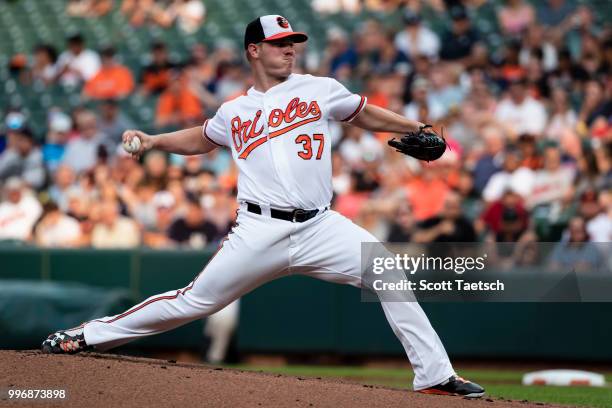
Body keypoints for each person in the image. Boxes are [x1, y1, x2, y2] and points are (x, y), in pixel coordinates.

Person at [42, 15, 484, 398]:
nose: (289, 50)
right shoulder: (235, 109)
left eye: (292, 44)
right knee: (192, 302)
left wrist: (415, 125)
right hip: (258, 230)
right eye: (279, 44)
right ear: (254, 50)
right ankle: (89, 335)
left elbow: (363, 112)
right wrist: (156, 140)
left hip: (321, 226)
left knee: (387, 272)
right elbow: (202, 137)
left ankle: (434, 376)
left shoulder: (319, 89)